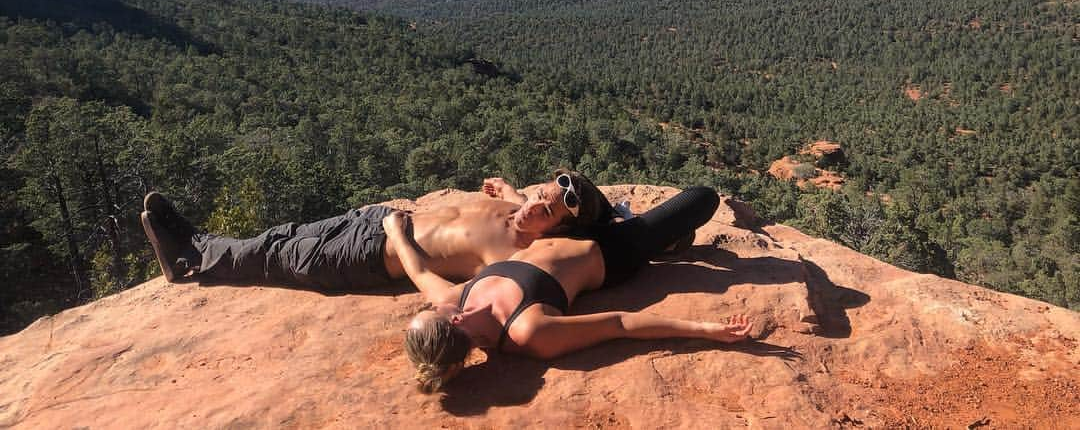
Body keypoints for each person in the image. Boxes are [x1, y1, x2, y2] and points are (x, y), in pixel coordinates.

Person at [386, 185, 753, 393]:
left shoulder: (453, 302)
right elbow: (620, 325)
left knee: (567, 184)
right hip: (613, 252)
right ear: (456, 324)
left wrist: (394, 231)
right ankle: (655, 238)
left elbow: (418, 271)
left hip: (561, 232)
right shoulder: (528, 332)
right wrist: (707, 331)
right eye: (430, 312)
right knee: (702, 198)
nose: (431, 305)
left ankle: (645, 229)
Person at [140, 170, 616, 292]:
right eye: (542, 194)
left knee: (276, 260)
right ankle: (198, 243)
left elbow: (444, 283)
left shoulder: (515, 255)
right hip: (375, 218)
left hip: (370, 255)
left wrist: (399, 236)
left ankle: (190, 255)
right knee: (279, 235)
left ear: (558, 230)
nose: (535, 205)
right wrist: (509, 187)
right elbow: (519, 196)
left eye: (548, 211)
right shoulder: (515, 204)